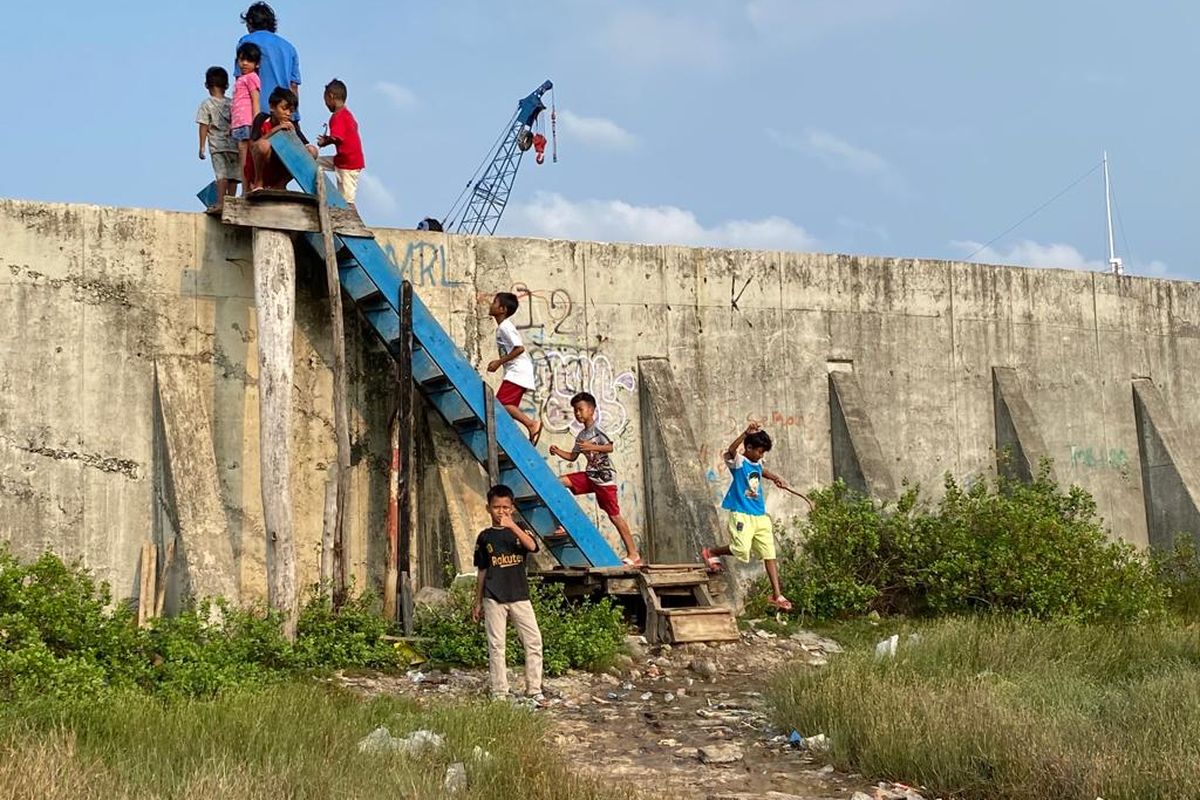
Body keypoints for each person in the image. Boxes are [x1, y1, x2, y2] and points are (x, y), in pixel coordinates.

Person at [701, 423, 793, 611]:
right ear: (749, 448)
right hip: (741, 513)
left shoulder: (757, 462)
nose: (761, 455)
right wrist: (745, 433)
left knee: (769, 553)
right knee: (740, 549)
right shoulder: (739, 461)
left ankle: (777, 595)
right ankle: (712, 552)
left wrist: (775, 477)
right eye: (759, 451)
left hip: (760, 514)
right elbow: (731, 449)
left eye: (763, 453)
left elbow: (760, 470)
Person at [549, 392, 643, 567]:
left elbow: (610, 447)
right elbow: (572, 457)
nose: (578, 414)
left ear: (591, 410)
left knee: (615, 517)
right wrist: (557, 451)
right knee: (558, 482)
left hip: (604, 479)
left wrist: (592, 446)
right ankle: (563, 523)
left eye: (580, 409)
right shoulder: (581, 436)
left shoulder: (598, 432)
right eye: (575, 411)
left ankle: (634, 554)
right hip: (590, 476)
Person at [472, 484, 544, 703]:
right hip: (494, 596)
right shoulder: (485, 537)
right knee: (497, 645)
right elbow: (482, 570)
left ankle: (534, 689)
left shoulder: (520, 529)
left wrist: (512, 526)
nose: (501, 511)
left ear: (512, 508)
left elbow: (532, 547)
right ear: (488, 508)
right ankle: (500, 691)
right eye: (496, 507)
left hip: (520, 594)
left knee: (533, 641)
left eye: (505, 507)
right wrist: (477, 601)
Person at [234, 3, 304, 125]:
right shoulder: (289, 48)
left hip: (255, 114)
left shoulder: (246, 42)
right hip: (283, 113)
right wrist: (294, 116)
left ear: (250, 22)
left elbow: (240, 80)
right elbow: (294, 87)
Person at [486, 292, 542, 444]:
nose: (491, 305)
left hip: (518, 371)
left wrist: (498, 362)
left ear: (503, 309)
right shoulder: (502, 328)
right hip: (516, 371)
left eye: (495, 302)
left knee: (501, 404)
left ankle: (532, 424)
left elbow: (519, 348)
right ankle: (511, 440)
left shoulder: (505, 327)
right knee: (506, 408)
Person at [315, 79, 366, 205]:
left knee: (347, 200)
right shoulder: (347, 114)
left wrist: (324, 142)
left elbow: (336, 137)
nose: (325, 104)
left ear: (331, 96)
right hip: (342, 159)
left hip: (348, 165)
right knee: (315, 162)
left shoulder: (337, 117)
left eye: (325, 100)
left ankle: (349, 220)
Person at [196, 66, 239, 212]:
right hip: (234, 145)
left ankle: (221, 203)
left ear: (206, 85)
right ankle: (232, 201)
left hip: (217, 146)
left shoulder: (206, 104)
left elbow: (203, 125)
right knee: (234, 175)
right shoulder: (233, 103)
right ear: (226, 85)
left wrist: (201, 147)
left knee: (222, 175)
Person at [246, 87, 299, 191]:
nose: (288, 113)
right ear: (272, 107)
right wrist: (277, 129)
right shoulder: (261, 119)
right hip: (259, 168)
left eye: (291, 111)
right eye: (284, 109)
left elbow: (306, 151)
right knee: (263, 145)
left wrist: (293, 136)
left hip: (278, 170)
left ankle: (281, 184)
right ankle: (258, 183)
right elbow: (253, 146)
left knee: (312, 151)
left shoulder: (292, 124)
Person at [230, 43, 262, 194]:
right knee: (243, 157)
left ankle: (246, 189)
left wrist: (257, 123)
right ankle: (246, 188)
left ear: (257, 64)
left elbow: (256, 100)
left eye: (248, 60)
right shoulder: (241, 79)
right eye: (241, 60)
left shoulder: (251, 77)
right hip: (239, 124)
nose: (243, 63)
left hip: (247, 123)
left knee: (246, 158)